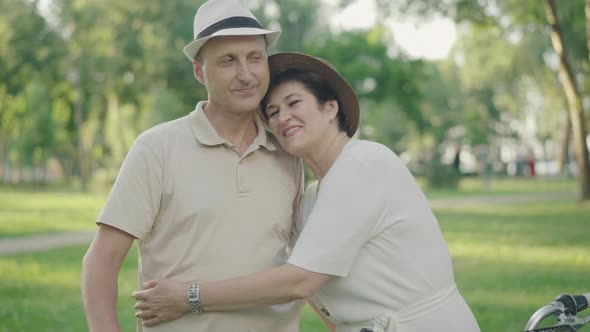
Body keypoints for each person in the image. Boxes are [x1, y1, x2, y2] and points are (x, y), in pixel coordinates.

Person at [131, 52, 482, 332]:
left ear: (331, 108)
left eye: (294, 103)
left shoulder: (365, 163)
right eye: (273, 111)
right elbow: (311, 286)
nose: (283, 117)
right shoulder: (311, 197)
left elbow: (300, 281)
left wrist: (189, 297)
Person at [80, 1, 304, 331]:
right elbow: (101, 262)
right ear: (200, 71)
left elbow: (303, 272)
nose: (245, 74)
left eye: (254, 58)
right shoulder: (157, 149)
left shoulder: (288, 155)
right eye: (228, 61)